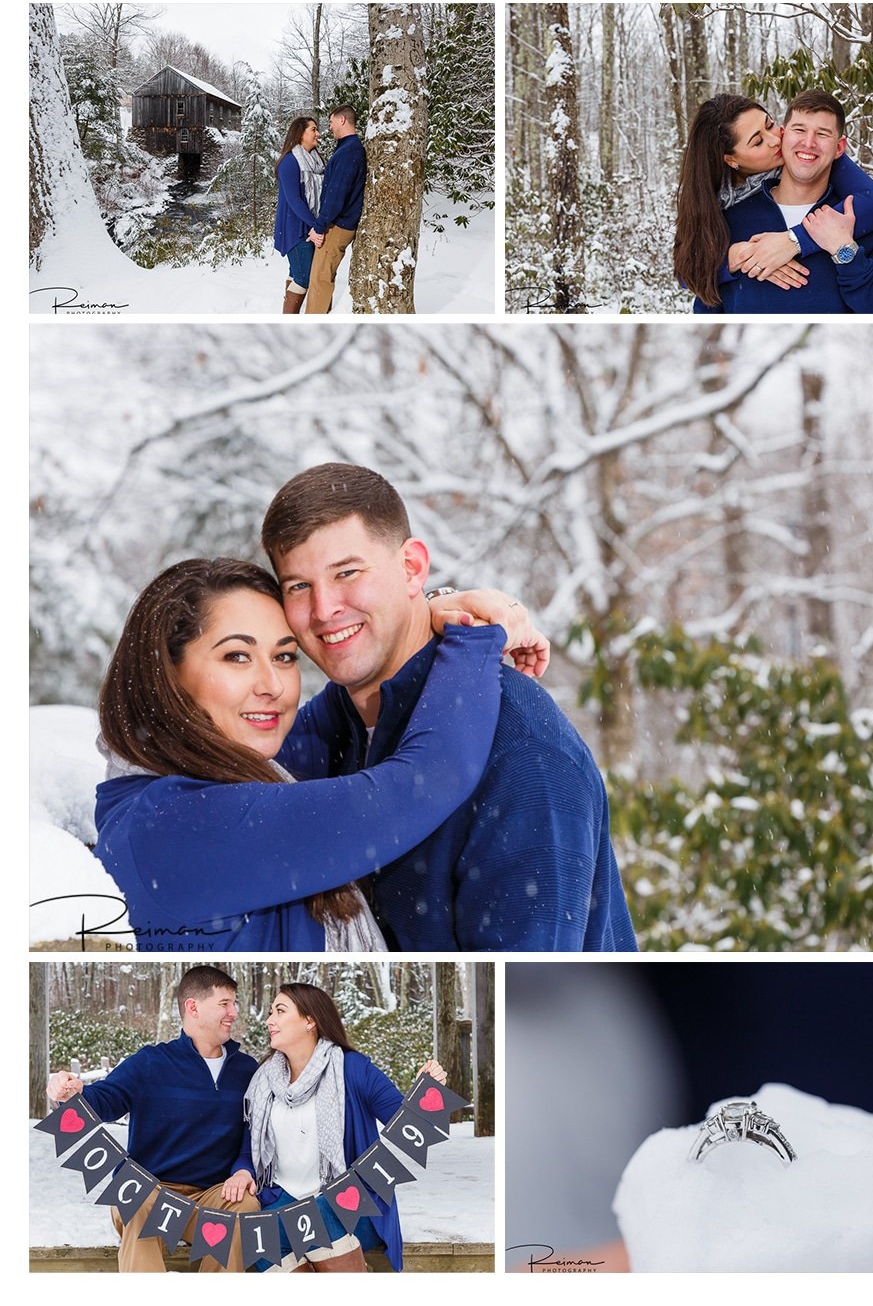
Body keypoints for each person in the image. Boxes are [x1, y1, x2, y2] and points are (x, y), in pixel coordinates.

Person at [262, 463, 639, 952]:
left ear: (412, 568)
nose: (323, 608)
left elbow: (528, 1003)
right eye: (298, 586)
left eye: (348, 573)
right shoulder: (335, 726)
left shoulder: (523, 752)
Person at [93, 557, 546, 952]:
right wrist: (475, 639)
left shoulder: (195, 779)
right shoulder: (179, 823)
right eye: (237, 657)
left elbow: (344, 705)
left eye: (285, 657)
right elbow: (424, 781)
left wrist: (424, 615)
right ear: (166, 676)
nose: (272, 686)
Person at [46, 966, 260, 1273]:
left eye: (234, 1003)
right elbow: (104, 1100)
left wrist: (243, 1170)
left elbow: (254, 1134)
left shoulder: (247, 1070)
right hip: (152, 1192)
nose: (234, 1012)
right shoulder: (151, 1063)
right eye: (225, 1003)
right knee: (136, 1194)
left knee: (246, 1206)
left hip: (212, 1197)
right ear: (193, 1007)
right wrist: (72, 1092)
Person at [232, 982, 442, 1272]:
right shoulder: (263, 1081)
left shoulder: (353, 1069)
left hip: (350, 1205)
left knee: (289, 1225)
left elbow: (405, 1121)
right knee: (264, 1241)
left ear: (310, 1020)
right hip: (283, 1200)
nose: (269, 1021)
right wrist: (242, 1171)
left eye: (280, 1011)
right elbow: (248, 1151)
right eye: (270, 1013)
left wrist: (425, 1093)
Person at [678, 90, 873, 313]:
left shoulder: (856, 218)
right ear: (731, 159)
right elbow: (696, 286)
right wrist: (736, 257)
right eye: (799, 130)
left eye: (770, 126)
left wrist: (843, 251)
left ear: (839, 147)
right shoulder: (727, 222)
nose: (808, 142)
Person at [304, 105, 366, 314]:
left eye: (330, 122)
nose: (328, 127)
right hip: (337, 222)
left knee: (319, 280)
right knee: (321, 278)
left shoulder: (349, 151)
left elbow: (337, 193)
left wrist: (321, 226)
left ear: (342, 120)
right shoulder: (347, 148)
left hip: (338, 225)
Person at [274, 116, 326, 314]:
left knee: (296, 272)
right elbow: (294, 199)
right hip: (295, 228)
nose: (318, 134)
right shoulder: (290, 161)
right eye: (313, 129)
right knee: (303, 277)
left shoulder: (315, 159)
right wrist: (315, 225)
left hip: (308, 224)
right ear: (300, 133)